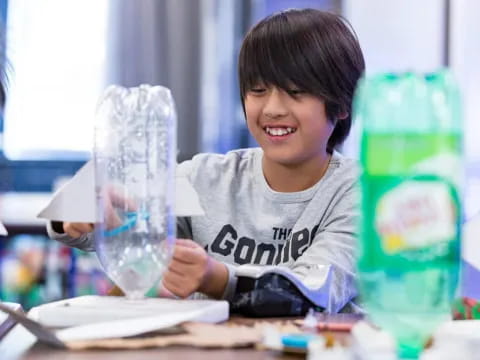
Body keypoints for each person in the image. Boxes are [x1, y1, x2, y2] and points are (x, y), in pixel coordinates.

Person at [48, 8, 365, 313]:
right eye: (257, 90)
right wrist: (79, 211)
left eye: (296, 92)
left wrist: (217, 278)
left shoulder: (359, 194)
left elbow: (316, 292)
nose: (272, 108)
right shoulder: (205, 178)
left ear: (341, 105)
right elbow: (112, 220)